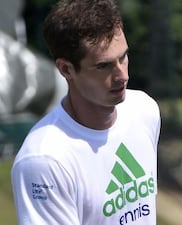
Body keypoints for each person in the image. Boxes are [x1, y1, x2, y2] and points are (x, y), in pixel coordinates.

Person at [10, 0, 160, 224]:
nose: (122, 76)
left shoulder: (144, 111)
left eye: (123, 57)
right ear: (66, 69)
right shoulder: (45, 160)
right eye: (104, 66)